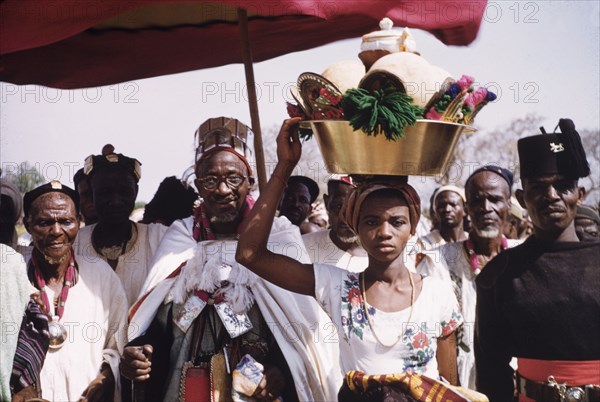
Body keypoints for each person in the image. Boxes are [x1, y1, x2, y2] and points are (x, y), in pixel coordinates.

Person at [236, 118, 463, 397]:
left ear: (413, 226)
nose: (384, 232)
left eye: (396, 222)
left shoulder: (438, 294)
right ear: (356, 227)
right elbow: (249, 254)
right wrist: (284, 166)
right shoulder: (337, 287)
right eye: (370, 222)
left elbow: (449, 388)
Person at [121, 117, 336, 401]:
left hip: (256, 388)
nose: (223, 190)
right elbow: (155, 323)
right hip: (185, 385)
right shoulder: (182, 236)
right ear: (198, 185)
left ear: (250, 183)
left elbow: (302, 328)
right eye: (211, 180)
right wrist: (141, 352)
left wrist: (281, 371)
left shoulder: (278, 235)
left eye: (233, 179)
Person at [475, 118, 600, 401]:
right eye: (538, 188)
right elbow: (492, 372)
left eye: (563, 186)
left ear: (579, 195)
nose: (551, 196)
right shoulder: (500, 274)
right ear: (521, 197)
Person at [22, 181, 127, 401]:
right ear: (28, 225)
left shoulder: (101, 277)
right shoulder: (14, 277)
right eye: (44, 222)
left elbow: (118, 345)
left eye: (66, 222)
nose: (56, 231)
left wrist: (104, 379)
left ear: (79, 223)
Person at [418, 165, 521, 389]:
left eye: (495, 199)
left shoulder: (523, 257)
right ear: (467, 208)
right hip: (461, 384)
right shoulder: (438, 261)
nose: (486, 208)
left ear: (508, 205)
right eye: (477, 200)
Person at [73, 145, 168, 306]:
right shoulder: (74, 244)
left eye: (124, 192)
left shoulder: (159, 238)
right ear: (92, 194)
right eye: (105, 192)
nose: (116, 201)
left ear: (136, 192)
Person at [302, 175, 368, 272]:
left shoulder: (382, 258)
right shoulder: (303, 247)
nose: (345, 217)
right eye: (338, 206)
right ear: (327, 202)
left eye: (354, 207)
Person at [418, 185, 468, 250]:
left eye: (453, 205)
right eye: (442, 205)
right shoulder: (424, 244)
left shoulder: (474, 243)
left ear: (464, 209)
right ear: (435, 211)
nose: (447, 209)